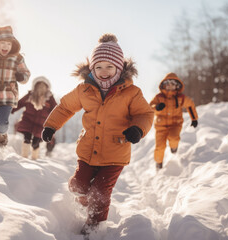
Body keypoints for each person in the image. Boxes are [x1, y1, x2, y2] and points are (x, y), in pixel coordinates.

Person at [41, 33, 154, 234]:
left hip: (115, 154)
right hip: (87, 151)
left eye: (110, 67)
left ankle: (94, 227)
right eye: (99, 66)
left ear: (119, 68)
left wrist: (138, 128)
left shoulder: (131, 92)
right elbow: (65, 108)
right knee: (78, 186)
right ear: (92, 68)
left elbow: (144, 113)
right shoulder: (84, 90)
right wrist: (51, 126)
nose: (104, 71)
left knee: (100, 193)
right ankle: (82, 201)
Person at [149, 72, 198, 169]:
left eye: (173, 85)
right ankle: (159, 163)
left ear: (177, 86)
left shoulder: (180, 98)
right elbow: (150, 107)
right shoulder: (159, 97)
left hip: (175, 124)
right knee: (160, 147)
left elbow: (190, 105)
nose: (170, 87)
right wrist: (157, 107)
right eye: (168, 84)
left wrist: (194, 119)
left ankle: (174, 147)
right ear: (164, 85)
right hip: (160, 127)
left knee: (174, 138)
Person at [11, 76, 57, 160]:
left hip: (41, 125)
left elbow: (56, 111)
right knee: (27, 138)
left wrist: (54, 124)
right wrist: (10, 109)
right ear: (35, 86)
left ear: (47, 88)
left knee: (36, 142)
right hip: (28, 121)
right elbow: (20, 103)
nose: (41, 88)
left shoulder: (49, 99)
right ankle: (24, 157)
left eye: (43, 86)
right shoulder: (30, 96)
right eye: (39, 86)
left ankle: (34, 158)